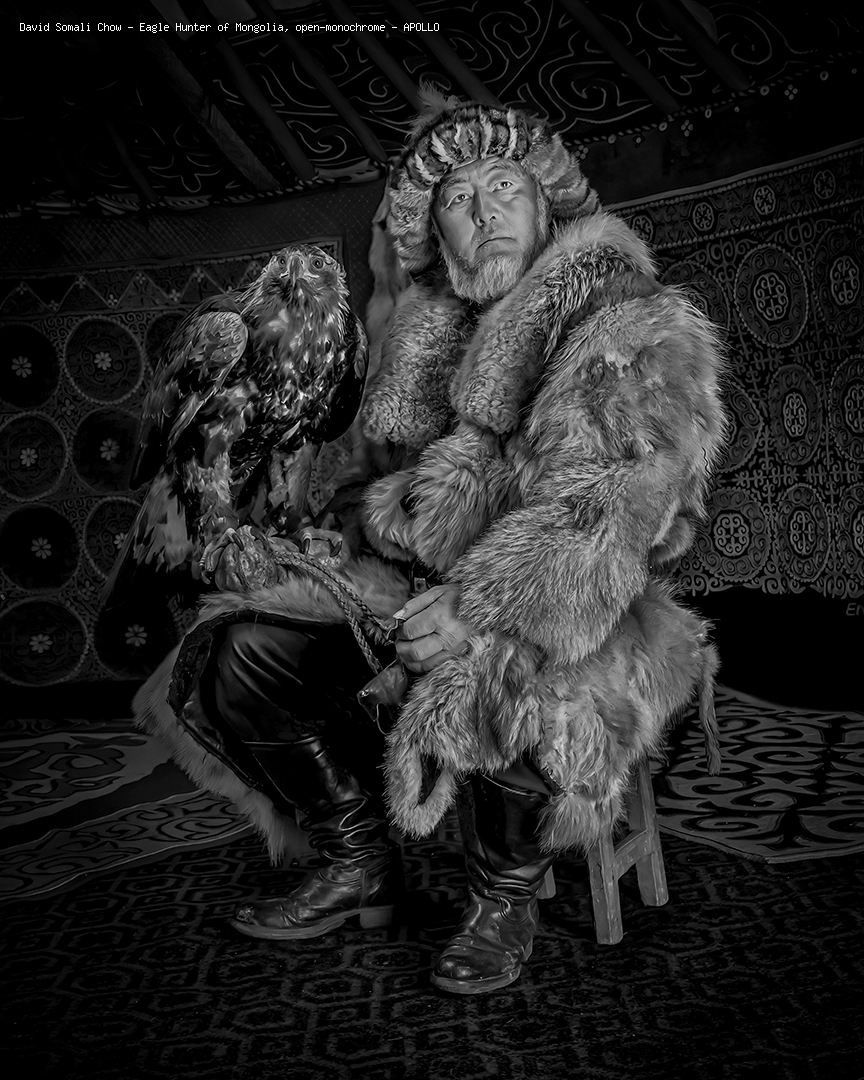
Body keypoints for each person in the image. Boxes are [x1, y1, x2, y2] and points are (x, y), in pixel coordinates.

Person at [135, 91, 728, 996]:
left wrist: (475, 606)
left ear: (547, 203)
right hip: (416, 592)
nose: (484, 212)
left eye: (505, 187)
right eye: (458, 199)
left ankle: (504, 896)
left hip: (580, 606)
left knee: (509, 670)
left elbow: (608, 516)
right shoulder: (424, 338)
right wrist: (328, 544)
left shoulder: (628, 325)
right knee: (244, 653)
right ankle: (357, 858)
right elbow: (363, 486)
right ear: (437, 236)